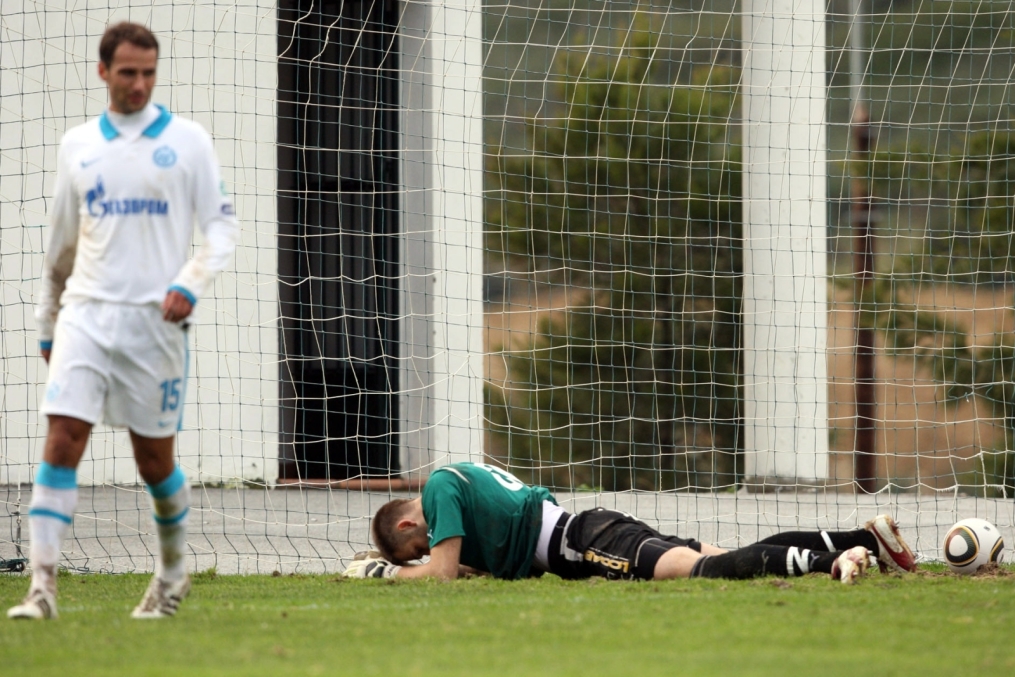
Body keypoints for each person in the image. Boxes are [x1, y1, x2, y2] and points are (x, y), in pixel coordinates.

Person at [7, 22, 238, 620]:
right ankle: (41, 587)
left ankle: (172, 575)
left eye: (149, 73)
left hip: (153, 326)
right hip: (85, 316)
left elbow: (221, 228)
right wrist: (48, 323)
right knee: (62, 439)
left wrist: (189, 282)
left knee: (153, 463)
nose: (139, 84)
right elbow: (61, 248)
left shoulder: (187, 141)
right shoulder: (78, 145)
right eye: (128, 72)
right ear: (103, 71)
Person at [345, 462, 918, 584]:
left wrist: (386, 575)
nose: (430, 550)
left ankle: (831, 562)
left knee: (700, 571)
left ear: (407, 528)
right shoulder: (459, 485)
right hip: (586, 528)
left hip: (583, 541)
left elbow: (443, 574)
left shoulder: (439, 490)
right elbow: (470, 565)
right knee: (720, 557)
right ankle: (864, 539)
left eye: (417, 549)